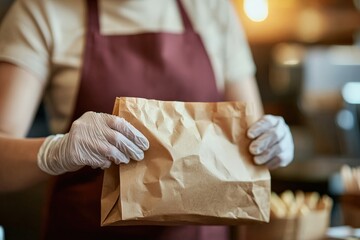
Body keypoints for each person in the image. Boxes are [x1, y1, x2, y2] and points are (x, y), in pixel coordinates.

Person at [0, 0, 294, 239]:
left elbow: (250, 134)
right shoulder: (42, 11)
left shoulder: (211, 8)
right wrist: (57, 152)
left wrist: (272, 142)